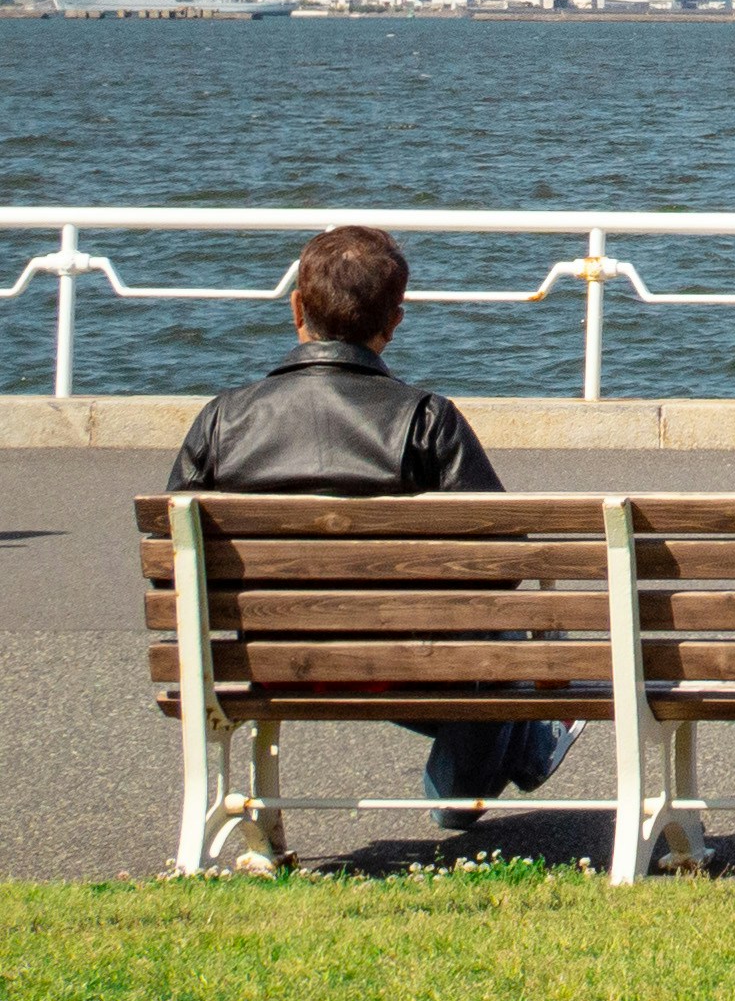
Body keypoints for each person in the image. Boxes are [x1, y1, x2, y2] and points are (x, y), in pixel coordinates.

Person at [168, 225, 577, 839]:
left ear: (296, 308)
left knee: (497, 639)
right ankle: (467, 785)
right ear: (396, 320)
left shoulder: (222, 420)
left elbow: (171, 567)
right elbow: (501, 561)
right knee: (507, 637)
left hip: (273, 660)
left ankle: (521, 751)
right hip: (405, 662)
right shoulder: (426, 420)